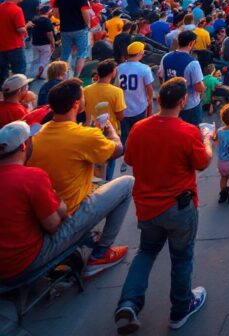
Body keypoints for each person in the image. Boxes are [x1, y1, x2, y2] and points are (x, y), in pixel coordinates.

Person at [114, 78, 214, 334]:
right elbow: (202, 163)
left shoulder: (138, 128)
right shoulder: (188, 131)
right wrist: (207, 141)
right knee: (181, 257)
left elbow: (130, 158)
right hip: (179, 207)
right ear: (182, 102)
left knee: (145, 252)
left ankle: (128, 303)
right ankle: (181, 307)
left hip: (148, 207)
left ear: (159, 100)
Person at [0, 121, 133, 284]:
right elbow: (53, 225)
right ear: (23, 146)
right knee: (127, 183)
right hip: (23, 263)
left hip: (7, 263)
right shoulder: (32, 177)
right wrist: (58, 204)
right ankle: (101, 254)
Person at [27, 79, 133, 278]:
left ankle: (91, 239)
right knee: (127, 184)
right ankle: (100, 255)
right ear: (76, 104)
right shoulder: (85, 136)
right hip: (70, 213)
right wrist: (111, 131)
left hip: (47, 210)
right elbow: (118, 150)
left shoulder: (36, 136)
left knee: (101, 182)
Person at [84, 59, 126, 181]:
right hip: (109, 133)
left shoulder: (86, 89)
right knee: (110, 163)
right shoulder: (117, 92)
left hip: (91, 131)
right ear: (112, 73)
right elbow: (120, 116)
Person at [158, 30, 205, 125]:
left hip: (170, 102)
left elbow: (160, 76)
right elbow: (198, 87)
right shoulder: (193, 63)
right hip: (189, 105)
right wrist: (204, 88)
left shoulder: (166, 57)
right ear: (191, 43)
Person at [52, 0, 92, 78]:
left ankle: (62, 76)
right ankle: (76, 77)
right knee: (82, 54)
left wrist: (65, 19)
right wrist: (87, 23)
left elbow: (55, 13)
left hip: (65, 28)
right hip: (79, 28)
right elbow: (85, 11)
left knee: (65, 54)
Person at [117, 41, 155, 149]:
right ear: (140, 53)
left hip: (123, 107)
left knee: (124, 134)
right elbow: (149, 87)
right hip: (139, 106)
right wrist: (150, 99)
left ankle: (125, 153)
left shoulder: (119, 68)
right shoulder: (144, 68)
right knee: (138, 132)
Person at [0, 0, 27, 81]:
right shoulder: (17, 10)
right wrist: (26, 27)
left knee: (2, 72)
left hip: (2, 45)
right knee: (19, 71)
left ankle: (3, 93)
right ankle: (18, 91)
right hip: (15, 45)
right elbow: (20, 29)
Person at [29, 4, 56, 80]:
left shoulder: (35, 20)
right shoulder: (47, 21)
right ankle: (42, 74)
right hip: (45, 43)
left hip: (35, 43)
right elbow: (49, 34)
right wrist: (53, 43)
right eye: (51, 11)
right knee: (45, 59)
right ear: (47, 12)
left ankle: (34, 73)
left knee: (36, 58)